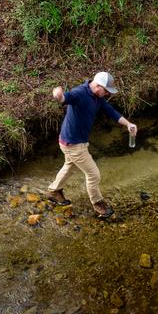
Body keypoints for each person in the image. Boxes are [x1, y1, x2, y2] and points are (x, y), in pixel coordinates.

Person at [45, 71, 137, 219]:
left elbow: (111, 111)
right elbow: (65, 98)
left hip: (73, 141)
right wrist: (58, 95)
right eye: (106, 91)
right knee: (93, 174)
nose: (107, 94)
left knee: (70, 166)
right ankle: (98, 203)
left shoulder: (97, 97)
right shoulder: (79, 93)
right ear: (99, 86)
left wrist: (128, 124)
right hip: (72, 143)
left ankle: (54, 191)